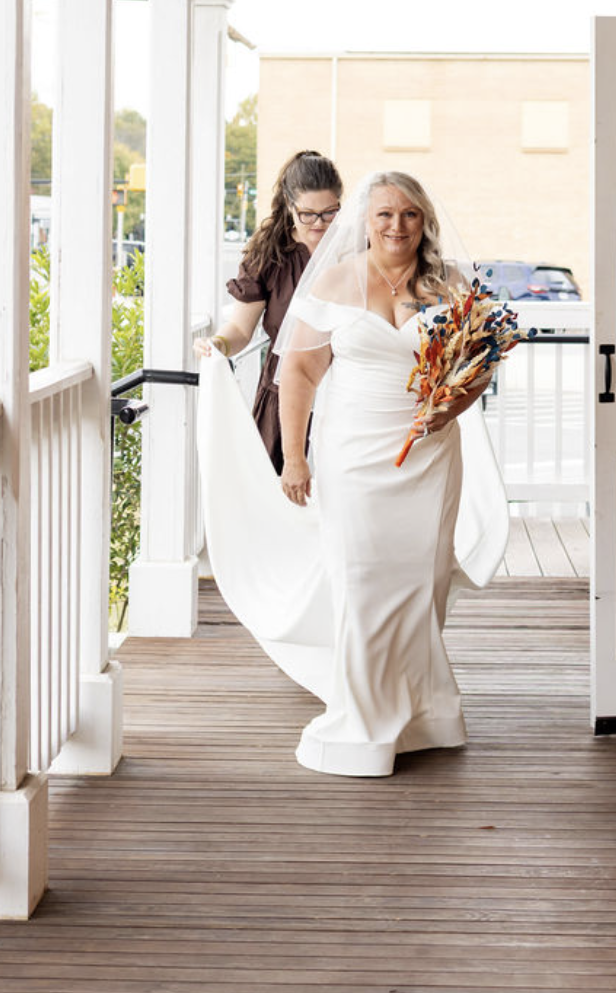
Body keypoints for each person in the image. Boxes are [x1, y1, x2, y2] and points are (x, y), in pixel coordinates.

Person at [195, 170, 508, 779]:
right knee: (361, 582)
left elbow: (478, 366)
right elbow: (301, 375)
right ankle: (363, 717)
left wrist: (449, 408)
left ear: (425, 221)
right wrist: (295, 457)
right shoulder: (335, 281)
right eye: (385, 214)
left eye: (410, 215)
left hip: (428, 456)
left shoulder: (450, 285)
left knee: (421, 583)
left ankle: (424, 712)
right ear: (364, 221)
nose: (397, 226)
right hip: (353, 458)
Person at [194, 149, 343, 473]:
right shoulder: (269, 255)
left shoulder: (356, 250)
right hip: (283, 397)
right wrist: (218, 344)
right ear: (289, 206)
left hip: (346, 395)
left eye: (329, 213)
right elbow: (241, 330)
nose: (319, 224)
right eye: (307, 214)